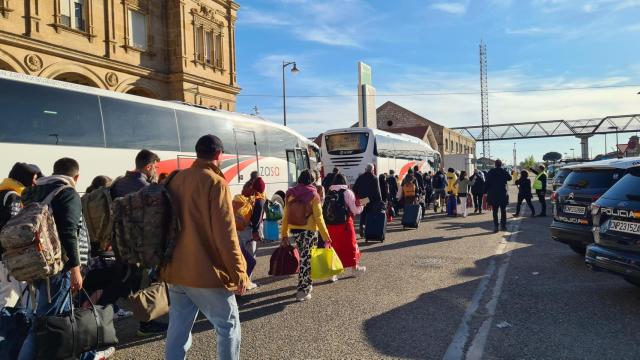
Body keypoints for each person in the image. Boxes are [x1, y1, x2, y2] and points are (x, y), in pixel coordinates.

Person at [162, 135, 248, 360]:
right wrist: (239, 273)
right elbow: (226, 234)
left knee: (178, 328)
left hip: (175, 269)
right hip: (205, 270)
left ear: (197, 152)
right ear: (219, 155)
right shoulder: (215, 182)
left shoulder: (175, 178)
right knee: (228, 325)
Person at [18, 158, 115, 360]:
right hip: (58, 267)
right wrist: (76, 270)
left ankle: (83, 355)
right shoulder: (67, 193)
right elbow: (69, 232)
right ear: (76, 177)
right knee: (47, 321)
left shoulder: (33, 192)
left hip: (36, 263)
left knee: (58, 319)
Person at [110, 149, 168, 337]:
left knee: (132, 282)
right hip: (142, 246)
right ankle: (145, 324)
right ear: (149, 166)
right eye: (156, 167)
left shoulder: (118, 183)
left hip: (122, 244)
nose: (156, 170)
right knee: (144, 285)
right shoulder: (145, 187)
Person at [280, 170, 332, 302]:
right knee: (306, 260)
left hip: (295, 231)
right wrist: (326, 236)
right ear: (311, 181)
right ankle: (303, 289)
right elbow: (319, 218)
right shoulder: (313, 194)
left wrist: (284, 234)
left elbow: (285, 215)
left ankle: (304, 286)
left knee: (304, 258)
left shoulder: (290, 194)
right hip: (309, 232)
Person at [0, 163, 39, 308]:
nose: (35, 182)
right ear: (25, 178)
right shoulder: (14, 197)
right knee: (9, 295)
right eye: (33, 178)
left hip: (2, 255)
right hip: (7, 256)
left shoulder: (3, 192)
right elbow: (13, 229)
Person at [326, 174, 365, 279]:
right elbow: (355, 210)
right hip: (345, 225)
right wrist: (362, 205)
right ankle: (354, 269)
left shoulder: (329, 192)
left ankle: (333, 273)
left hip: (331, 225)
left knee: (334, 248)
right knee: (350, 246)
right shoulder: (347, 192)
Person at [240, 171, 266, 290]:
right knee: (250, 257)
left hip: (241, 227)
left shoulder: (246, 189)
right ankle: (247, 281)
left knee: (242, 256)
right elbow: (256, 218)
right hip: (250, 230)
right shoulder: (259, 198)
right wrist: (256, 231)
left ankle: (242, 278)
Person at [352, 164, 382, 237]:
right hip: (371, 200)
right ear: (372, 170)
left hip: (362, 200)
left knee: (363, 214)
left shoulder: (360, 177)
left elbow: (354, 188)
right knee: (371, 215)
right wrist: (380, 200)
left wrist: (359, 196)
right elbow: (377, 191)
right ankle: (369, 231)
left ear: (366, 169)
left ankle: (361, 228)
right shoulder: (375, 178)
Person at [485, 159, 512, 232]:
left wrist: (485, 192)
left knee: (495, 211)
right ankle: (503, 226)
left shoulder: (491, 172)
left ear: (495, 164)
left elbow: (486, 182)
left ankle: (496, 226)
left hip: (493, 194)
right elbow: (510, 178)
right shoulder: (503, 171)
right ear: (501, 164)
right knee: (503, 211)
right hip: (502, 194)